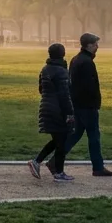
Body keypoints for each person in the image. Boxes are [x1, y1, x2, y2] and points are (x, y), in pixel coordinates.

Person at [64, 33, 112, 177]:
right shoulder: (87, 62)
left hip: (77, 104)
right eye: (95, 44)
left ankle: (55, 161)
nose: (97, 47)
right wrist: (95, 103)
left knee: (75, 135)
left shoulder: (76, 59)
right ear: (89, 45)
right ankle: (98, 167)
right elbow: (90, 87)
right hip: (87, 105)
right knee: (94, 136)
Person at [29, 43, 76, 182]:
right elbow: (64, 95)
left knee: (57, 140)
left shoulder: (45, 69)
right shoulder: (62, 72)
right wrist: (70, 113)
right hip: (58, 109)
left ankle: (38, 162)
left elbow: (41, 89)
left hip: (46, 106)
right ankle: (58, 172)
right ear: (63, 54)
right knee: (62, 141)